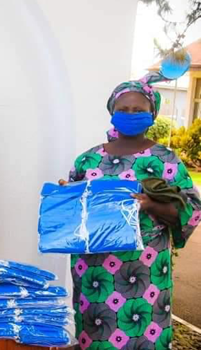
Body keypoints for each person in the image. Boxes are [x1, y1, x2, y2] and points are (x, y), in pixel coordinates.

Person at [64, 73, 201, 350]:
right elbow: (73, 215)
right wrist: (66, 195)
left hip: (146, 270)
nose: (130, 114)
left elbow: (192, 210)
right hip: (95, 272)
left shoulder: (166, 160)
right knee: (95, 339)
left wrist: (150, 204)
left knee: (144, 337)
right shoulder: (88, 159)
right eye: (123, 109)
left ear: (152, 113)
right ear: (112, 112)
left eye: (139, 110)